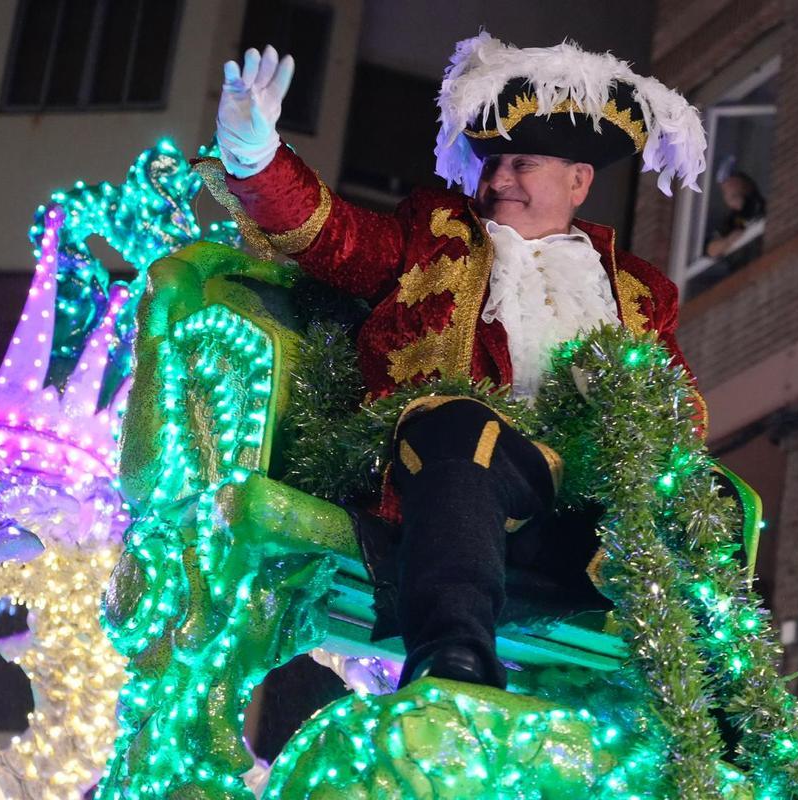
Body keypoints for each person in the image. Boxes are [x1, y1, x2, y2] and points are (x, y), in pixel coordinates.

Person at [213, 32, 707, 689]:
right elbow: (334, 238)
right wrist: (256, 158)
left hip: (584, 528)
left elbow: (683, 416)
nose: (498, 181)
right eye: (490, 162)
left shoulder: (643, 293)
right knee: (461, 427)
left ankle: (722, 723)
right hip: (451, 488)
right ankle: (454, 661)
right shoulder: (436, 231)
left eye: (523, 163)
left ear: (579, 180)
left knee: (703, 497)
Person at [704, 171, 767, 259]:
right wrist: (728, 241)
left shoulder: (763, 207)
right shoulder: (731, 221)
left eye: (732, 182)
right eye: (725, 191)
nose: (729, 188)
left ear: (747, 186)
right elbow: (711, 250)